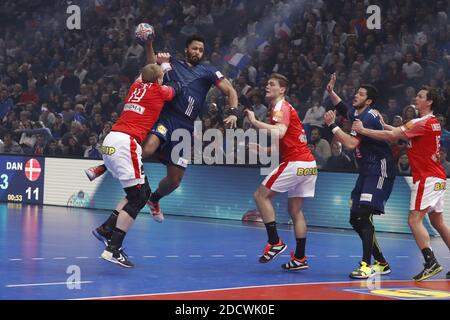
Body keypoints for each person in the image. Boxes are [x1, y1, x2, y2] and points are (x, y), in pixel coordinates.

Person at [85, 34, 238, 221]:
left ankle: (154, 199)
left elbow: (230, 91)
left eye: (201, 50)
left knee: (174, 181)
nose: (197, 52)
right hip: (166, 118)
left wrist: (232, 112)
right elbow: (151, 67)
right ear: (186, 49)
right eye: (194, 48)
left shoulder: (208, 71)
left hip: (186, 127)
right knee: (147, 149)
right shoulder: (171, 62)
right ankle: (105, 166)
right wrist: (149, 44)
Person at [352, 86, 450, 281]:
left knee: (414, 220)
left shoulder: (420, 122)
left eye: (420, 96)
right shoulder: (431, 122)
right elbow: (397, 131)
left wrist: (364, 130)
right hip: (438, 177)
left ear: (429, 102)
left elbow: (392, 136)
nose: (416, 97)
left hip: (427, 178)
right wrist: (382, 123)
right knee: (438, 222)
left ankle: (431, 262)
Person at [94, 60, 180, 268]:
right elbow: (176, 88)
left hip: (110, 140)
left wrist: (157, 64)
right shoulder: (159, 91)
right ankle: (113, 249)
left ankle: (106, 229)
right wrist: (167, 66)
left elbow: (143, 77)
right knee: (139, 197)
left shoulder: (135, 87)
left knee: (141, 191)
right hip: (126, 143)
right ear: (158, 80)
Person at [324, 73, 394, 279]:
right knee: (355, 218)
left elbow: (351, 144)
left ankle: (366, 265)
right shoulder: (358, 113)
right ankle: (382, 263)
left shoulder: (369, 116)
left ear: (369, 101)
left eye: (360, 94)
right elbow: (344, 109)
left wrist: (332, 125)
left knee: (364, 215)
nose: (356, 95)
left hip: (380, 169)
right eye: (356, 92)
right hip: (366, 171)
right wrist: (331, 92)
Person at [245, 73, 317, 271]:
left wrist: (255, 122)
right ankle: (300, 258)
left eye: (272, 84)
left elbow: (280, 132)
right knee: (295, 211)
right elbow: (280, 144)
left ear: (282, 89)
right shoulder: (281, 109)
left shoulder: (281, 107)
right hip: (308, 165)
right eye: (267, 83)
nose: (267, 86)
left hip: (296, 162)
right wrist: (262, 150)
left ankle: (275, 241)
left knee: (260, 195)